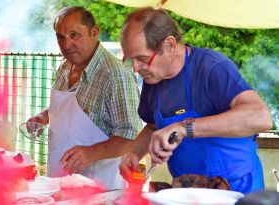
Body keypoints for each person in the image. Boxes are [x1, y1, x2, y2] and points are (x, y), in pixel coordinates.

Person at [119, 7, 273, 194]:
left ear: (169, 45)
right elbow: (153, 126)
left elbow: (260, 117)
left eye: (142, 59)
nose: (135, 68)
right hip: (187, 192)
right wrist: (134, 152)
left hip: (237, 191)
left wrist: (184, 128)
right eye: (130, 60)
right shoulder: (153, 78)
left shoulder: (212, 67)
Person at [28, 6, 142, 190]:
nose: (66, 45)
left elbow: (131, 136)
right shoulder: (65, 67)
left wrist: (91, 153)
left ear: (94, 32)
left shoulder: (115, 75)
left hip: (101, 190)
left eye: (74, 35)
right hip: (59, 181)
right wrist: (43, 117)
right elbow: (68, 107)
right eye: (60, 37)